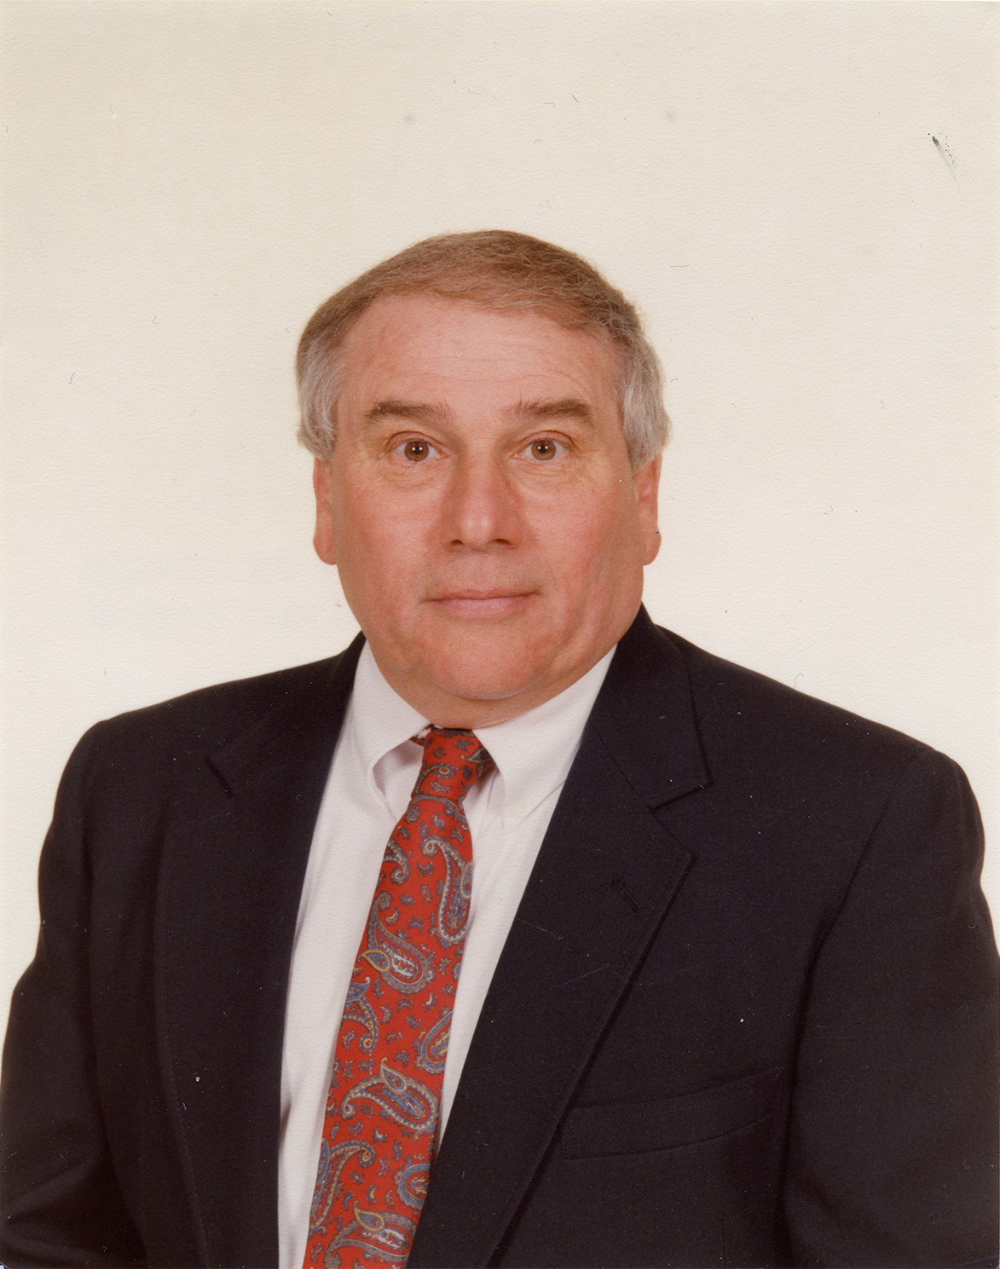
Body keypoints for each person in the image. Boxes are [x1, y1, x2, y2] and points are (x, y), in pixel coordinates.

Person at [0, 230, 996, 1269]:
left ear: (644, 497)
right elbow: (50, 1238)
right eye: (414, 450)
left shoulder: (854, 824)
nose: (479, 520)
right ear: (327, 501)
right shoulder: (142, 788)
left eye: (545, 449)